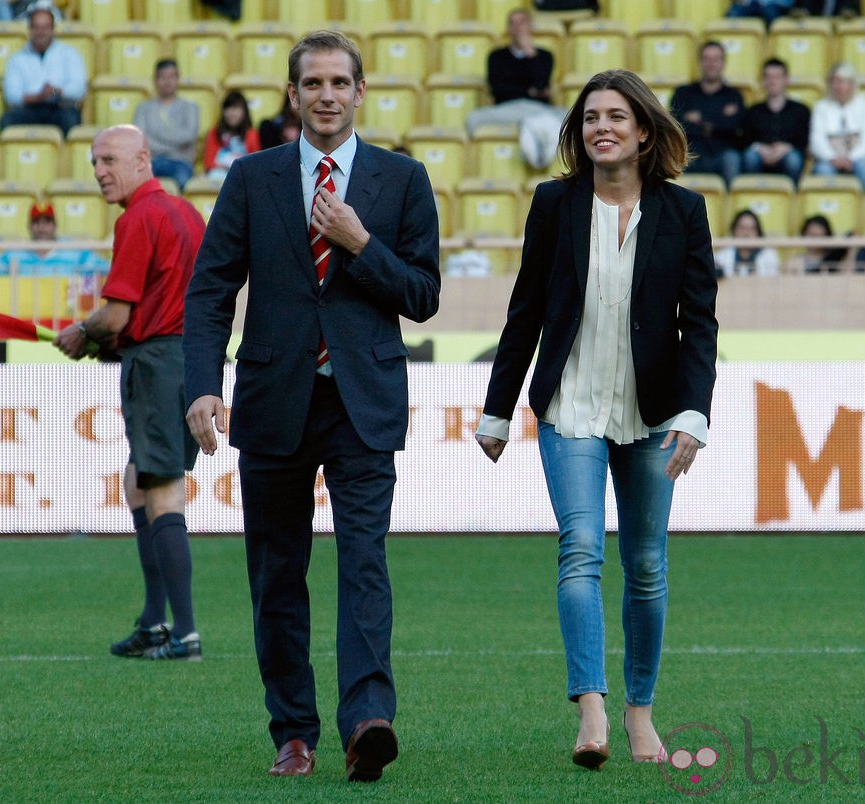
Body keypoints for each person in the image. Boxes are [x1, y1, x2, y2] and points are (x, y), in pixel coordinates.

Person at [182, 30, 440, 782]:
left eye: (340, 82)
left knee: (365, 565)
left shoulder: (402, 179)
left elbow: (423, 296)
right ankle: (293, 732)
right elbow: (209, 294)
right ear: (292, 96)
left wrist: (361, 243)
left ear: (361, 93)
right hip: (271, 400)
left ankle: (367, 723)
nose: (327, 95)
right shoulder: (251, 176)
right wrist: (203, 386)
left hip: (364, 403)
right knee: (276, 573)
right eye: (313, 83)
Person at [475, 69, 718, 770]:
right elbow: (525, 309)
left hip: (655, 413)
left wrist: (696, 412)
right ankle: (592, 712)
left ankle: (642, 715)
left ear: (644, 130)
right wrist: (497, 410)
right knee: (580, 547)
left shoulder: (684, 211)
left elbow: (699, 324)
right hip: (569, 407)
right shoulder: (553, 204)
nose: (601, 127)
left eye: (615, 116)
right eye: (589, 118)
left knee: (646, 565)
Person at [53, 125, 206, 662]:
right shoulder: (187, 214)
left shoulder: (138, 218)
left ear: (143, 160)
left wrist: (83, 332)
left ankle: (184, 632)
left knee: (161, 488)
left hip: (159, 365)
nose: (99, 171)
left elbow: (117, 313)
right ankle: (154, 621)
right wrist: (116, 340)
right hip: (189, 358)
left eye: (110, 160)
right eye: (95, 162)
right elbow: (175, 302)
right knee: (138, 480)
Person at [464, 7, 566, 170]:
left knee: (570, 116)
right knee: (472, 119)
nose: (518, 27)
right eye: (513, 23)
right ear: (508, 29)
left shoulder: (544, 56)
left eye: (522, 22)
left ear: (530, 26)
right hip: (507, 110)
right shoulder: (496, 56)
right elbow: (497, 89)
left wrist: (530, 53)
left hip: (536, 109)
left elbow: (540, 84)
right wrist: (530, 92)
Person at [0, 201, 111, 312]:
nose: (42, 227)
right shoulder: (15, 252)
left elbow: (106, 268)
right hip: (26, 314)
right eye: (36, 222)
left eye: (47, 222)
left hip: (64, 316)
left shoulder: (74, 250)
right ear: (29, 226)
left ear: (55, 225)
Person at [0, 1, 86, 136]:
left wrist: (55, 91)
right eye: (36, 27)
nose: (41, 32)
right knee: (7, 120)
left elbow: (78, 89)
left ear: (52, 28)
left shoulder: (69, 53)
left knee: (70, 119)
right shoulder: (17, 58)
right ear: (30, 29)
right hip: (29, 109)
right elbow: (11, 95)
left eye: (45, 27)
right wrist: (38, 97)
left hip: (60, 108)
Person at [670, 41, 744, 187]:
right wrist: (719, 120)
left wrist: (699, 119)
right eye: (707, 59)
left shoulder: (734, 96)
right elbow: (676, 126)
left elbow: (737, 128)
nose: (711, 64)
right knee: (672, 158)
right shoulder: (683, 93)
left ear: (723, 63)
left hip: (721, 155)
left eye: (716, 59)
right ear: (700, 62)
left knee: (732, 158)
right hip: (690, 155)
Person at [739, 58, 810, 187]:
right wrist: (759, 148)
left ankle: (792, 198)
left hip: (788, 153)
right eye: (768, 77)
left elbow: (804, 142)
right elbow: (744, 140)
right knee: (750, 157)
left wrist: (786, 148)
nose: (773, 81)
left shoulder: (801, 110)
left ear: (786, 79)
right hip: (760, 153)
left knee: (793, 159)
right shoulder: (753, 111)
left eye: (777, 77)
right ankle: (751, 194)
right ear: (763, 80)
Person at [133, 59, 200, 192]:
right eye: (163, 77)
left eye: (171, 76)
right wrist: (175, 146)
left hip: (180, 162)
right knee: (134, 182)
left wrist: (157, 134)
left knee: (183, 180)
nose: (167, 81)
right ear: (155, 80)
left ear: (178, 79)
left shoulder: (190, 107)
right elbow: (140, 140)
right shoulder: (143, 108)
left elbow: (189, 136)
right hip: (152, 162)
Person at [809, 62, 865, 190]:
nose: (838, 86)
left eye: (842, 82)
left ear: (852, 84)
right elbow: (816, 141)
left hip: (857, 158)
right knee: (823, 170)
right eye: (834, 82)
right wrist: (833, 158)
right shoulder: (821, 107)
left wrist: (850, 159)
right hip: (829, 160)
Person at [203, 90, 260, 183]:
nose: (232, 113)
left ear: (244, 112)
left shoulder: (252, 135)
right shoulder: (214, 133)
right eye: (228, 108)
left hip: (243, 177)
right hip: (218, 176)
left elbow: (256, 164)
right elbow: (209, 163)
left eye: (236, 108)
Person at [714, 209, 781, 277]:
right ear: (734, 230)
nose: (746, 233)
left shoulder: (769, 255)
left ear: (758, 232)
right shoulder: (722, 256)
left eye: (751, 228)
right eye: (742, 228)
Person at [726, 0, 794, 27]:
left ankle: (770, 40)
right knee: (736, 11)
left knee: (769, 10)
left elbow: (787, 3)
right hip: (754, 4)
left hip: (776, 6)